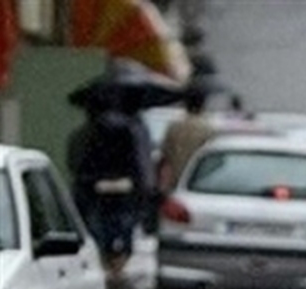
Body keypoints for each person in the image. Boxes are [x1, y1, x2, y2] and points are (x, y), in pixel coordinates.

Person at [67, 89, 156, 274]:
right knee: (123, 229)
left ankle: (107, 265)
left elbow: (75, 164)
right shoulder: (130, 131)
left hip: (95, 191)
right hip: (123, 191)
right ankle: (117, 267)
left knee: (99, 230)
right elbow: (138, 163)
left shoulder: (83, 134)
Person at [158, 85, 216, 193]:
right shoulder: (208, 129)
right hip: (197, 183)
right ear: (203, 105)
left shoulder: (174, 127)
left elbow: (165, 157)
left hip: (175, 182)